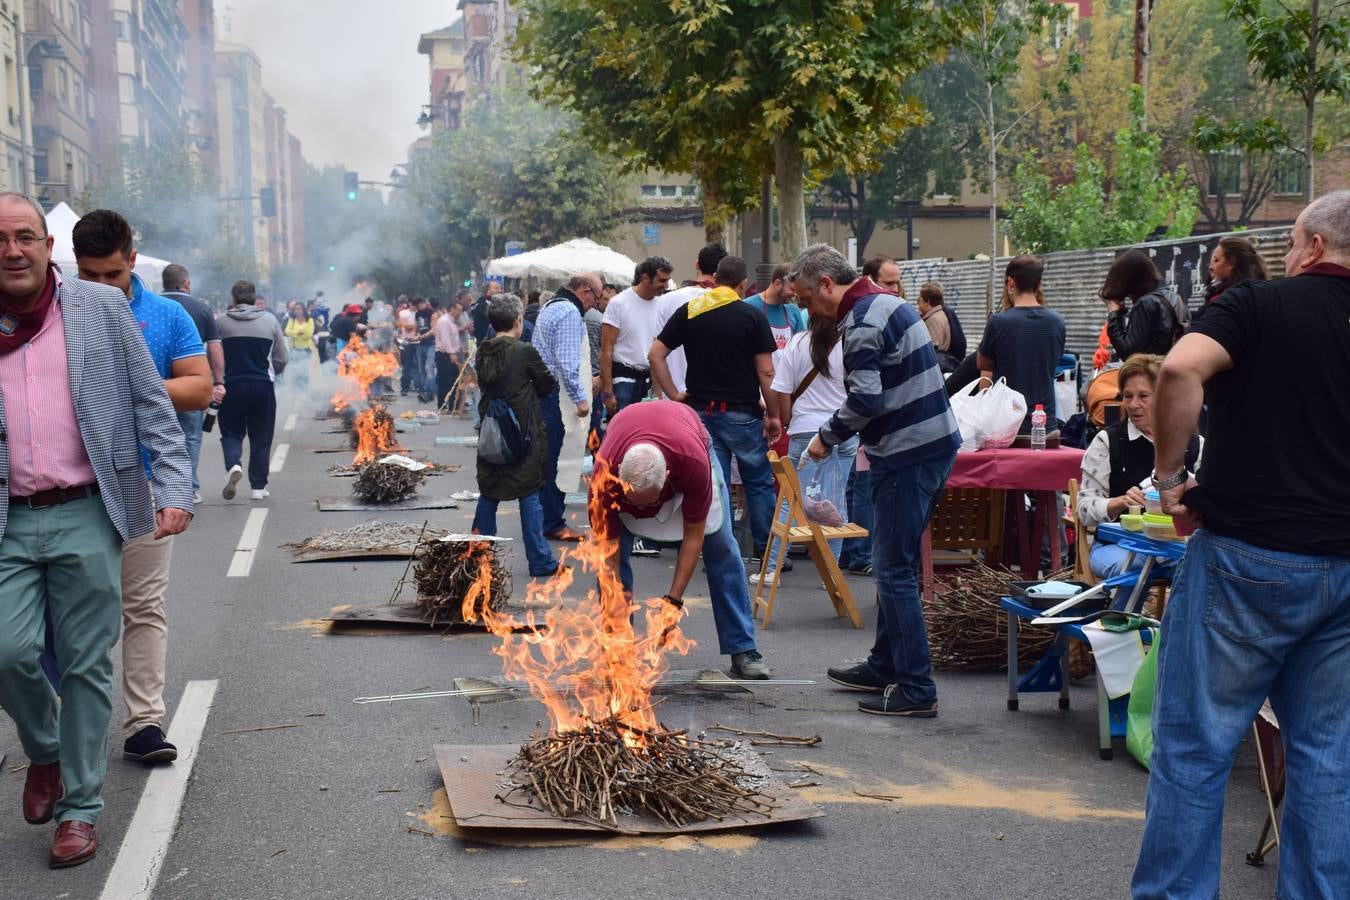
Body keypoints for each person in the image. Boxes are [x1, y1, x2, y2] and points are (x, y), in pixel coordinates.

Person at [1132, 191, 1350, 899]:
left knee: (1196, 749)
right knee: (1328, 759)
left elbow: (1177, 369)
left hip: (1246, 559)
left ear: (1313, 246)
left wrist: (1169, 478)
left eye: (1289, 244)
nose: (1285, 257)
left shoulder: (1258, 306)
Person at [0, 192, 193, 868]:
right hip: (9, 519)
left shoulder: (101, 308)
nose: (13, 250)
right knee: (8, 651)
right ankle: (47, 751)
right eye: (2, 240)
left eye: (25, 235)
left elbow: (150, 402)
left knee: (84, 663)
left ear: (46, 247)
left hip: (87, 508)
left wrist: (173, 486)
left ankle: (80, 809)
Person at [791, 244, 960, 718]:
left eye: (807, 299)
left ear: (826, 283)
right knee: (895, 563)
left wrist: (826, 437)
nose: (808, 310)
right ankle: (886, 663)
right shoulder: (888, 305)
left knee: (893, 569)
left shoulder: (863, 323)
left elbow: (865, 400)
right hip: (928, 446)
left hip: (908, 454)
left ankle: (916, 688)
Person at [71, 209, 210, 772]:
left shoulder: (167, 314)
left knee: (143, 607)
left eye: (112, 275)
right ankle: (61, 722)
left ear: (132, 260)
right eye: (90, 277)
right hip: (75, 485)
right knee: (73, 615)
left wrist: (129, 385)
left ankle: (144, 724)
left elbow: (199, 387)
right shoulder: (57, 316)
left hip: (147, 481)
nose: (103, 287)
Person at [592, 400, 770, 679]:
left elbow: (693, 539)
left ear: (666, 478)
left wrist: (672, 602)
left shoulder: (693, 464)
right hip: (632, 434)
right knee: (612, 566)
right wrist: (614, 602)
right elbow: (608, 552)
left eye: (646, 504)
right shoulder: (604, 478)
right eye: (633, 503)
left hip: (690, 435)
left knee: (721, 544)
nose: (641, 513)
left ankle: (743, 648)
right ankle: (618, 651)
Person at [650, 255, 782, 562]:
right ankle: (767, 553)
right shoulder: (751, 316)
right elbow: (766, 372)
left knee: (713, 485)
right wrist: (773, 415)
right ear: (741, 285)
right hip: (743, 413)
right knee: (758, 482)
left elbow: (655, 354)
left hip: (700, 414)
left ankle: (720, 550)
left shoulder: (690, 312)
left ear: (714, 280)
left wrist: (674, 395)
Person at [1075, 353, 1201, 578]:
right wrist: (1120, 502)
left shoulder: (1192, 444)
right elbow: (1084, 508)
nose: (1133, 404)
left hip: (1175, 547)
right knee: (1136, 566)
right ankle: (1121, 615)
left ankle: (1171, 615)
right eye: (1127, 396)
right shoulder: (1108, 442)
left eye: (1143, 396)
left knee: (1201, 568)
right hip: (1116, 546)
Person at [757, 312, 857, 583]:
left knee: (792, 499)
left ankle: (771, 570)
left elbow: (783, 390)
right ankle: (832, 574)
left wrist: (788, 421)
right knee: (836, 501)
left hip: (804, 429)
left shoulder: (798, 343)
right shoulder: (849, 343)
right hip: (844, 430)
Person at [472, 293, 563, 579]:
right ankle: (540, 560)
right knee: (529, 493)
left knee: (489, 492)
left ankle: (478, 557)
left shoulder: (483, 351)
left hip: (491, 432)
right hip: (522, 433)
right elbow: (547, 384)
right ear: (517, 320)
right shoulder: (524, 351)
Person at [533, 273, 599, 543]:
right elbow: (568, 363)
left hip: (542, 392)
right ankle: (554, 523)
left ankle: (544, 518)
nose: (593, 304)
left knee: (547, 460)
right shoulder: (570, 313)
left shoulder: (550, 306)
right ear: (584, 290)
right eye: (595, 297)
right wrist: (581, 399)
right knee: (561, 460)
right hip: (557, 397)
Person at [977, 255, 1066, 430]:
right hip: (1044, 424)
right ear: (1039, 284)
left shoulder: (998, 322)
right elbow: (1055, 361)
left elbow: (983, 365)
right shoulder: (1057, 322)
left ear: (1011, 282)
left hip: (1006, 424)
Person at [217, 280, 287, 501]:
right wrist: (272, 372)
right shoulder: (270, 321)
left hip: (231, 386)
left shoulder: (220, 323)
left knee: (230, 432)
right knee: (261, 437)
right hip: (262, 387)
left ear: (234, 298)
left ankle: (233, 464)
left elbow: (212, 355)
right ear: (255, 299)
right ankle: (258, 487)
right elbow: (282, 358)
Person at [161, 263, 225, 501]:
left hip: (158, 386)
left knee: (160, 435)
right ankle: (189, 487)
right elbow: (215, 348)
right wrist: (218, 382)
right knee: (191, 436)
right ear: (185, 283)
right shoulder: (201, 309)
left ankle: (163, 486)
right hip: (191, 385)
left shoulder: (151, 306)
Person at [600, 256, 672, 420]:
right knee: (622, 431)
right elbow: (606, 349)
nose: (666, 286)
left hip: (649, 381)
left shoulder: (662, 304)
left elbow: (657, 349)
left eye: (667, 280)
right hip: (623, 379)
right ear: (645, 278)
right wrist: (608, 391)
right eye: (662, 280)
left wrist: (658, 390)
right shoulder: (619, 303)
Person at [1101, 249, 1185, 358]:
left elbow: (1128, 353)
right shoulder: (1171, 296)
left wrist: (1113, 315)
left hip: (1152, 372)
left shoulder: (1146, 304)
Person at [743, 263, 807, 351]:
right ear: (777, 283)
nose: (795, 295)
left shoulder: (794, 311)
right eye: (792, 289)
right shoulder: (748, 307)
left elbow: (800, 348)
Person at [1201, 235, 1269, 306]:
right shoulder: (1255, 291)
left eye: (1216, 260)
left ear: (1232, 263)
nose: (1210, 267)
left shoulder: (1228, 300)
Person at [917, 282, 966, 373]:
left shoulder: (934, 319)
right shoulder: (937, 315)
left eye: (919, 301)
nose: (918, 305)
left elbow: (935, 348)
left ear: (927, 302)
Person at [433, 297, 461, 409]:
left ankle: (452, 405)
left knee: (454, 380)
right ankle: (442, 405)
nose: (460, 312)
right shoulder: (444, 321)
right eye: (459, 309)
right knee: (445, 381)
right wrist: (451, 353)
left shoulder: (452, 322)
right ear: (452, 309)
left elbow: (453, 338)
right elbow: (445, 340)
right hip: (444, 355)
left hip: (452, 353)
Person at [285, 303, 315, 391]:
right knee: (295, 373)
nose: (297, 311)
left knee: (304, 373)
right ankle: (296, 392)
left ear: (303, 310)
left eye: (299, 308)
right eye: (295, 309)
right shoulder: (292, 320)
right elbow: (287, 331)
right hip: (295, 350)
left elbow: (308, 335)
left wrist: (293, 333)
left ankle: (305, 393)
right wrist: (298, 332)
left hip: (306, 350)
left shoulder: (310, 320)